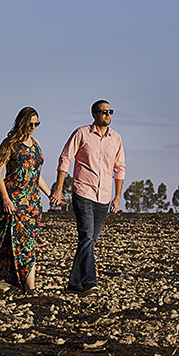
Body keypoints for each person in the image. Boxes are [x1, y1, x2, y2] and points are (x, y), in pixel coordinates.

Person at [51, 99, 126, 295]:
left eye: (110, 111)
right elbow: (65, 158)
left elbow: (119, 169)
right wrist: (59, 188)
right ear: (94, 114)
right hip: (83, 192)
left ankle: (74, 283)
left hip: (104, 196)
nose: (107, 115)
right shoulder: (81, 133)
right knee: (86, 236)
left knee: (90, 240)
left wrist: (117, 197)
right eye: (103, 112)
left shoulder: (116, 138)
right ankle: (89, 282)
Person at [0, 106, 52, 294]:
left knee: (29, 243)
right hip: (12, 201)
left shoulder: (36, 144)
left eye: (37, 124)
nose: (34, 127)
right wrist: (5, 198)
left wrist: (50, 194)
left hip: (32, 203)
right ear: (22, 122)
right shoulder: (9, 143)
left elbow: (36, 175)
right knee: (4, 241)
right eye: (30, 124)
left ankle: (30, 288)